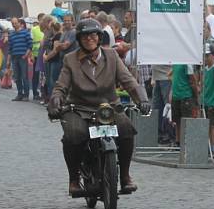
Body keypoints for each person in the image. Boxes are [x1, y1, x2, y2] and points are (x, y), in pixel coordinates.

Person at [47, 19, 150, 196]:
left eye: (93, 35)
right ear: (79, 39)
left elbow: (129, 81)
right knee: (74, 135)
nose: (89, 39)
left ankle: (125, 176)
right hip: (79, 108)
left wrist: (142, 100)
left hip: (108, 107)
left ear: (99, 37)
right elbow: (61, 86)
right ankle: (73, 178)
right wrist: (55, 102)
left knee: (126, 130)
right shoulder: (70, 59)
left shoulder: (111, 55)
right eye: (85, 36)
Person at [170, 63, 199, 146]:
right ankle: (178, 141)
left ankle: (187, 142)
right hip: (176, 96)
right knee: (177, 121)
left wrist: (196, 96)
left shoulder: (187, 64)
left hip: (186, 96)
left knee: (187, 121)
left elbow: (193, 80)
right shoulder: (175, 63)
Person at [7, 18, 33, 101]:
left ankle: (26, 95)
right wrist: (8, 60)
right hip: (14, 58)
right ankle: (19, 94)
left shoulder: (25, 32)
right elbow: (10, 49)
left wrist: (25, 55)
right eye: (13, 23)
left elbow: (30, 45)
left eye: (15, 23)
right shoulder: (11, 35)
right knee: (17, 77)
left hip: (22, 57)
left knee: (24, 77)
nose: (14, 25)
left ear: (19, 23)